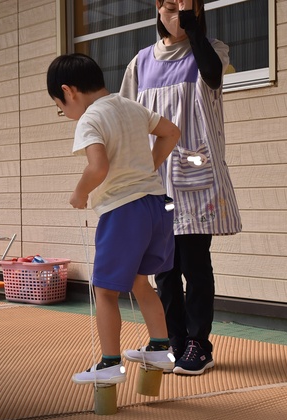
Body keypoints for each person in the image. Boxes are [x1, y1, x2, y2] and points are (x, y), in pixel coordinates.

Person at [120, 0, 242, 375]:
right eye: (169, 5)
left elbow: (213, 76)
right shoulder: (140, 62)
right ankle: (173, 341)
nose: (175, 12)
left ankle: (198, 344)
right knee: (163, 266)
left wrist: (193, 29)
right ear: (158, 8)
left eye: (184, 6)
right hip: (155, 177)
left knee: (194, 262)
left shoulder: (212, 49)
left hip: (195, 173)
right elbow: (126, 117)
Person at [47, 53, 181, 384]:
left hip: (123, 212)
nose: (65, 113)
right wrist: (149, 167)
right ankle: (161, 348)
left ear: (69, 91)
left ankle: (109, 364)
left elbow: (98, 167)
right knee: (140, 282)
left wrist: (80, 193)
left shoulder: (90, 120)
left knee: (105, 291)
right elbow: (171, 132)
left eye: (60, 107)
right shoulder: (130, 106)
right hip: (155, 206)